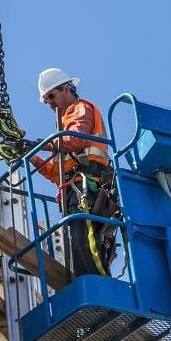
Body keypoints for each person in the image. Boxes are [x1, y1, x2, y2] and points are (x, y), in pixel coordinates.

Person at [30, 68, 119, 278]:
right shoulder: (62, 131)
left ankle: (96, 286)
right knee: (80, 240)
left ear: (67, 88)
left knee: (86, 238)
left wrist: (40, 145)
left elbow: (75, 139)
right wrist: (31, 156)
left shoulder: (80, 108)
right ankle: (89, 283)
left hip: (88, 185)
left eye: (51, 96)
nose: (50, 103)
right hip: (74, 189)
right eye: (46, 100)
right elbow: (55, 174)